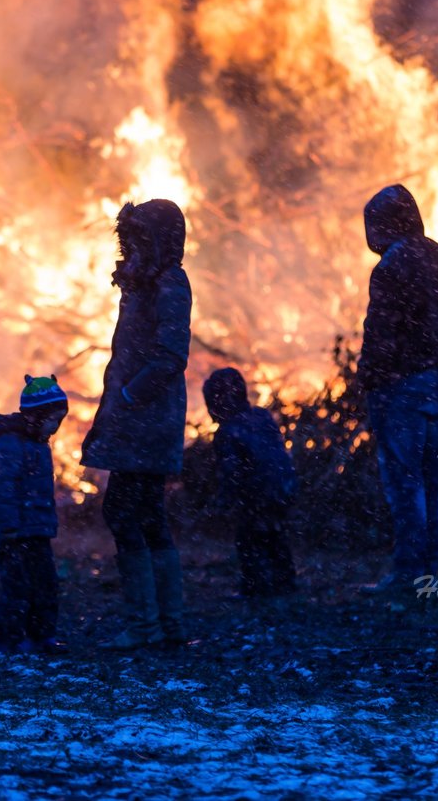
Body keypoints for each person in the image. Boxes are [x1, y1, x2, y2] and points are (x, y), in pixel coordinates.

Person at [81, 199, 192, 649]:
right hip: (140, 418)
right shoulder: (149, 282)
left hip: (146, 420)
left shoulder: (169, 282)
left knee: (126, 513)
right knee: (146, 517)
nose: (132, 247)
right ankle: (166, 625)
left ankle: (147, 627)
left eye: (141, 238)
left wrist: (129, 396)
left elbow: (170, 355)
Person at [357, 184, 438, 592]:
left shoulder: (391, 267)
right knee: (435, 479)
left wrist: (369, 378)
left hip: (400, 388)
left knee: (406, 483)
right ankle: (433, 569)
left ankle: (409, 574)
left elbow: (381, 334)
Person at [0, 375, 70, 654]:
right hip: (16, 532)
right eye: (52, 419)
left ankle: (42, 636)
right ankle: (9, 640)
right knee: (17, 588)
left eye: (59, 420)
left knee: (45, 585)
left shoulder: (39, 441)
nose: (55, 426)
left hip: (38, 529)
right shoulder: (10, 444)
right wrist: (9, 529)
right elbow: (4, 490)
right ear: (35, 415)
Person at [203, 367, 298, 599]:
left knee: (248, 540)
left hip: (257, 493)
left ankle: (255, 588)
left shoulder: (227, 432)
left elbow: (231, 472)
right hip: (283, 486)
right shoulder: (262, 417)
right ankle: (285, 583)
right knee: (275, 534)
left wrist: (223, 502)